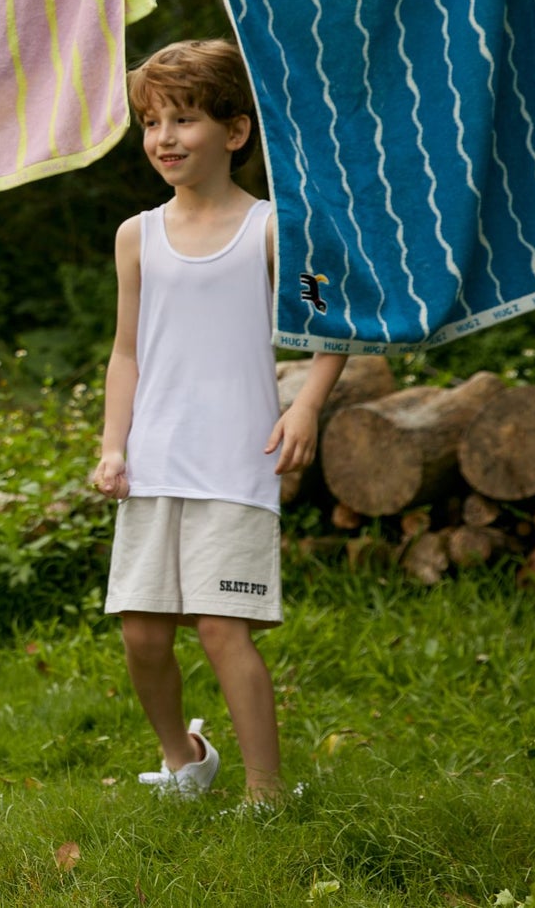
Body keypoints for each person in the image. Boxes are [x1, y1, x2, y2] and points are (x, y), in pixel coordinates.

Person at [88, 39, 344, 806]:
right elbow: (125, 353)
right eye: (152, 121)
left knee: (221, 629)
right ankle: (186, 760)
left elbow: (335, 323)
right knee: (141, 632)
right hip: (153, 460)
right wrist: (111, 445)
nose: (164, 137)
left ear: (235, 132)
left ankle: (267, 794)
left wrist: (305, 403)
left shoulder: (277, 231)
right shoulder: (137, 236)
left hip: (236, 463)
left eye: (184, 119)